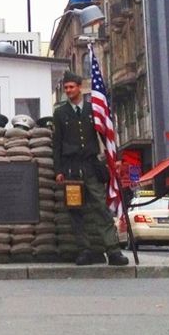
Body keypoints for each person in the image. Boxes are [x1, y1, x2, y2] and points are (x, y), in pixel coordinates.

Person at [52, 70, 128, 266]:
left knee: (101, 208)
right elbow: (57, 144)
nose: (68, 90)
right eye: (66, 87)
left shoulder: (93, 110)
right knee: (76, 211)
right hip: (71, 168)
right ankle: (84, 250)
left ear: (79, 88)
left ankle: (113, 250)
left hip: (91, 165)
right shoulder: (60, 113)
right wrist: (58, 170)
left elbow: (106, 136)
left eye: (71, 87)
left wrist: (115, 158)